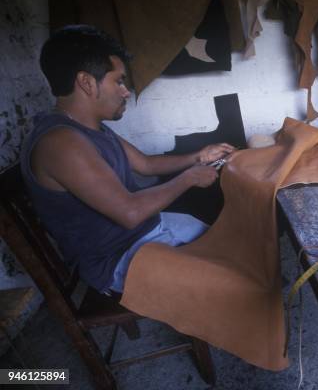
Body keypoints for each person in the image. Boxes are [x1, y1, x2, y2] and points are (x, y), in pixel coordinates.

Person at [21, 25, 235, 295]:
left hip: (146, 231)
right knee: (236, 282)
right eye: (119, 81)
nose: (126, 91)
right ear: (87, 82)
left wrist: (199, 156)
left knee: (235, 240)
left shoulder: (91, 129)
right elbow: (129, 213)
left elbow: (146, 164)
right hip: (118, 257)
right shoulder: (61, 143)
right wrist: (190, 177)